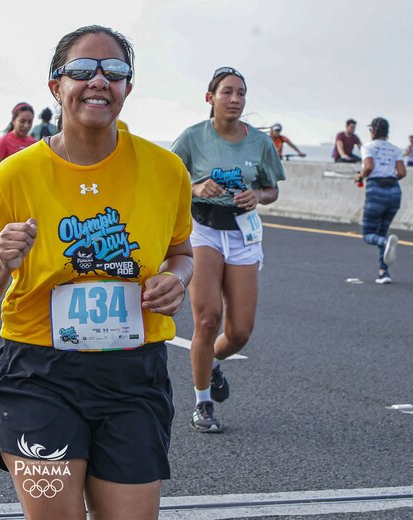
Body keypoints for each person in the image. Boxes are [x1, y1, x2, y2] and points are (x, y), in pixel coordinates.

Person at [0, 25, 193, 519]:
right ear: (55, 87)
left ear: (129, 87)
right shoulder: (13, 176)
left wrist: (177, 280)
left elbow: (181, 252)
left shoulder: (166, 171)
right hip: (39, 376)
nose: (100, 81)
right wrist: (4, 262)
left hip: (134, 375)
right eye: (82, 71)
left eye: (116, 72)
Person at [171, 66, 286, 434]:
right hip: (202, 229)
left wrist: (259, 195)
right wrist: (194, 187)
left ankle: (212, 363)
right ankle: (203, 402)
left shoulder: (260, 143)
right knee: (207, 318)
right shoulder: (193, 137)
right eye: (227, 92)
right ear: (211, 98)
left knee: (239, 333)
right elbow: (169, 180)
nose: (235, 99)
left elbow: (272, 190)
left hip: (242, 233)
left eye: (241, 93)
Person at [354, 117, 406, 284]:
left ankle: (384, 243)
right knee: (383, 231)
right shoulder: (395, 149)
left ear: (373, 131)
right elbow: (402, 172)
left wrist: (360, 176)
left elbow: (368, 167)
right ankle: (384, 273)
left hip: (376, 190)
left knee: (369, 234)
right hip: (394, 192)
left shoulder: (368, 147)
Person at [0, 102, 36, 172]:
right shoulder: (5, 141)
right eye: (22, 121)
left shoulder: (34, 143)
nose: (26, 126)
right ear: (13, 121)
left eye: (30, 122)